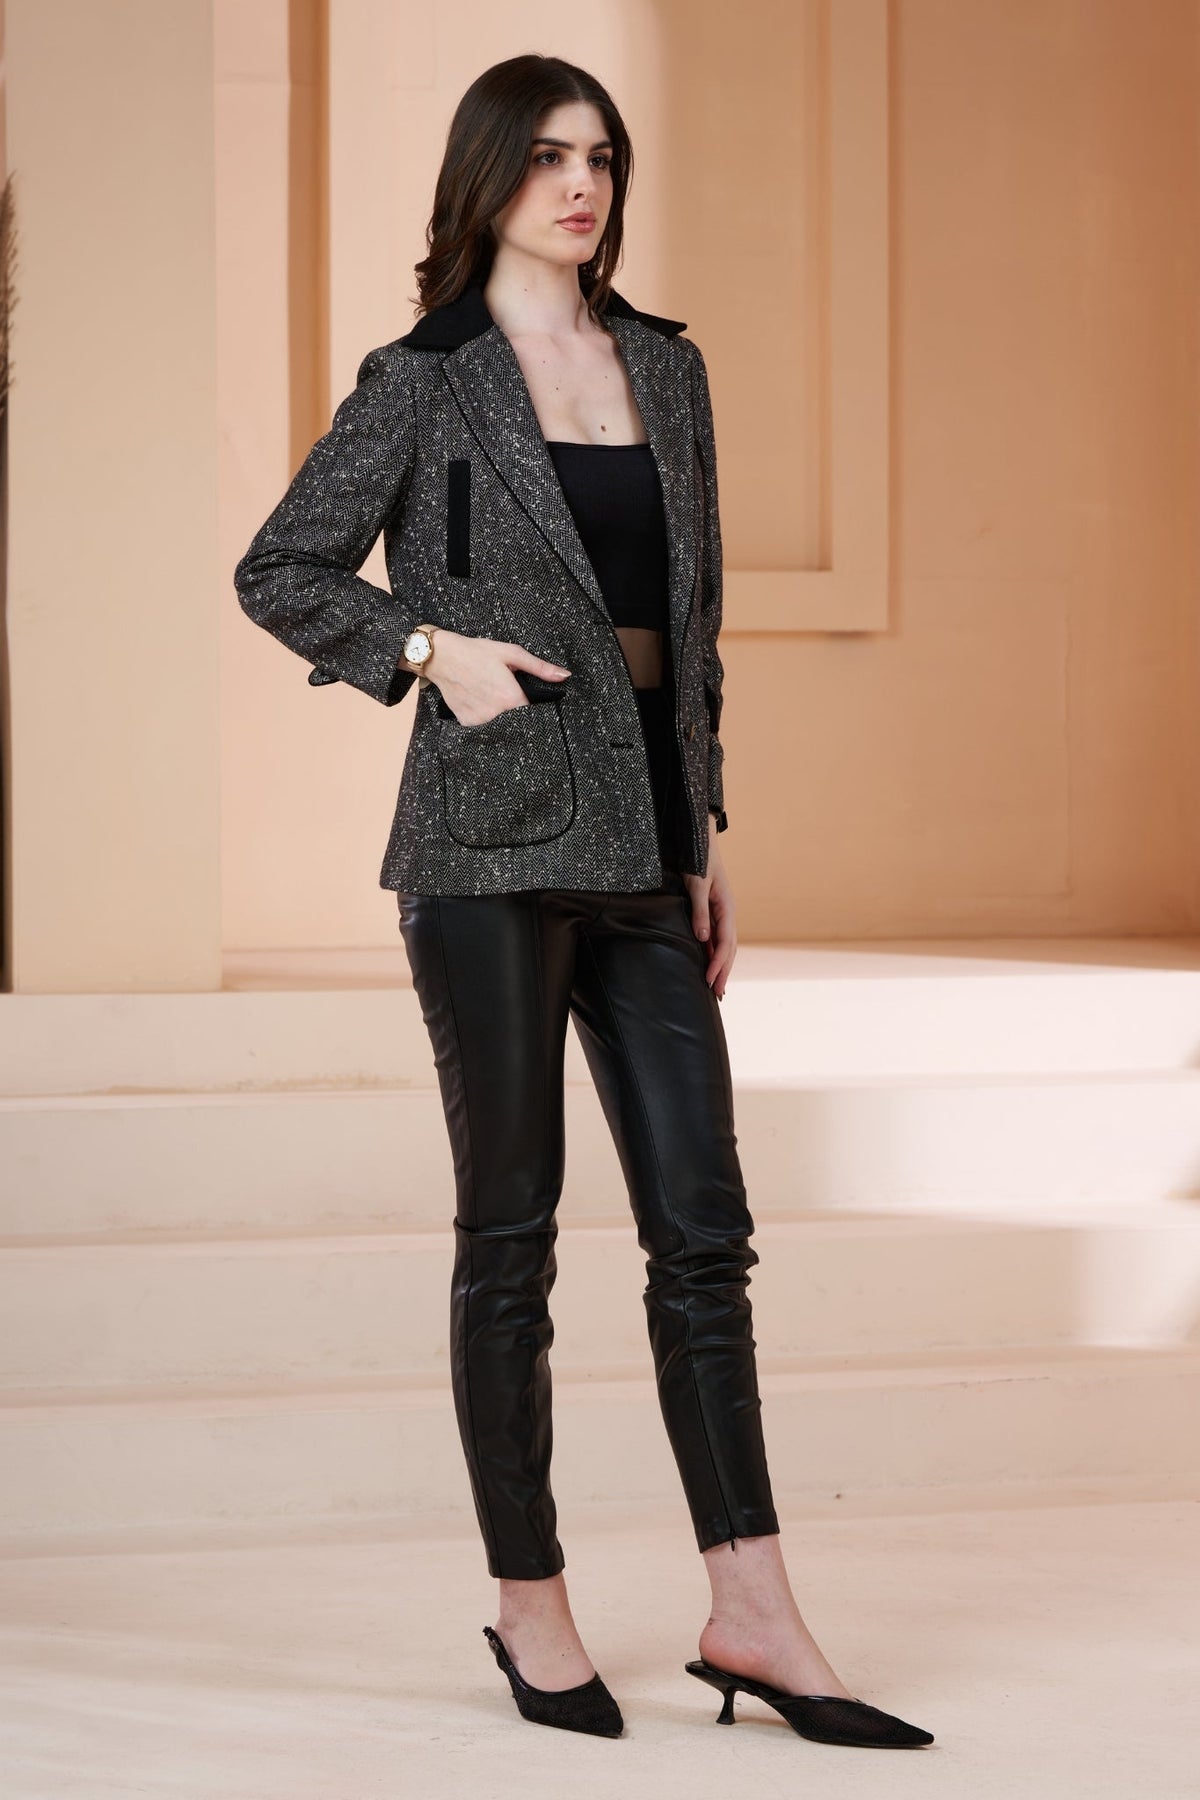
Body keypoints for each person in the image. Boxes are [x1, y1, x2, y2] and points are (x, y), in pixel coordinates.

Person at [234, 52, 933, 1753]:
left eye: (603, 157)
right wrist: (425, 648)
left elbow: (691, 626)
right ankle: (529, 1601)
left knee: (705, 1230)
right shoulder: (422, 381)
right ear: (489, 175)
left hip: (642, 846)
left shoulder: (666, 370)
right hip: (482, 847)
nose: (581, 185)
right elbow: (280, 568)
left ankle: (753, 1608)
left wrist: (702, 830)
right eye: (549, 156)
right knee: (512, 1235)